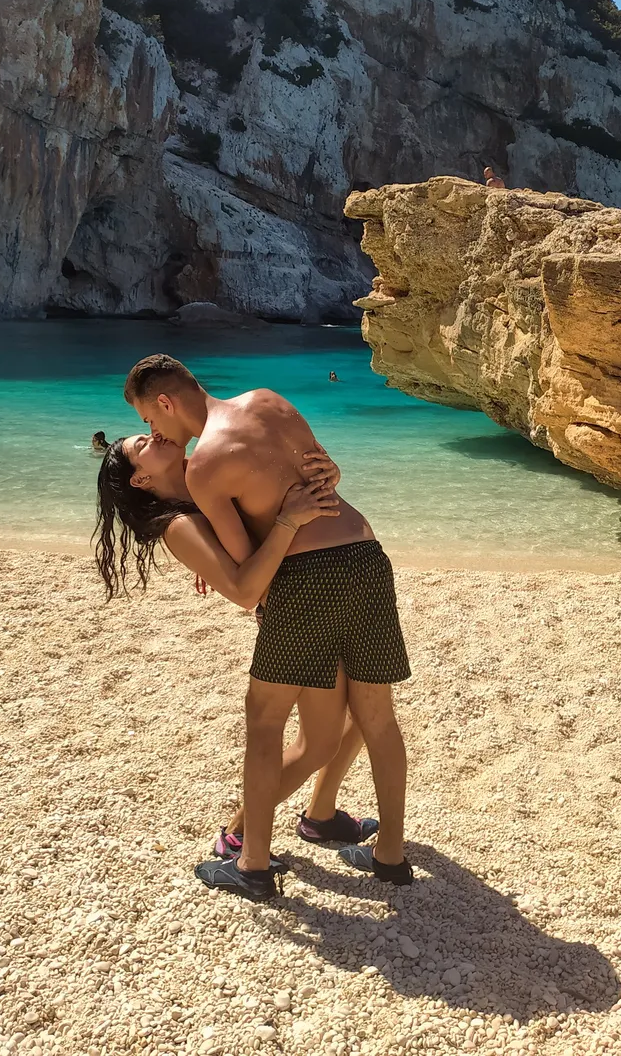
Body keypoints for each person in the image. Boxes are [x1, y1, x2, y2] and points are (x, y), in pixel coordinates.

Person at [122, 354, 413, 900]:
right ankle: (391, 856)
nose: (152, 430)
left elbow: (252, 566)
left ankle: (252, 864)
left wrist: (224, 551)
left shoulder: (203, 465)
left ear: (164, 402)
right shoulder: (268, 401)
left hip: (306, 580)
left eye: (148, 419)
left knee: (265, 722)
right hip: (367, 556)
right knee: (378, 716)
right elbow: (324, 473)